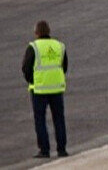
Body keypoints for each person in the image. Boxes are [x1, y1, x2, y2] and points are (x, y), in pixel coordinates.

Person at [24, 20, 67, 159]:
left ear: (36, 33)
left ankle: (44, 150)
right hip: (56, 88)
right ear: (49, 31)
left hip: (39, 89)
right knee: (59, 119)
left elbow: (26, 67)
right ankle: (62, 149)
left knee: (40, 120)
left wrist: (32, 80)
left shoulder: (33, 47)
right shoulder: (59, 45)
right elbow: (64, 65)